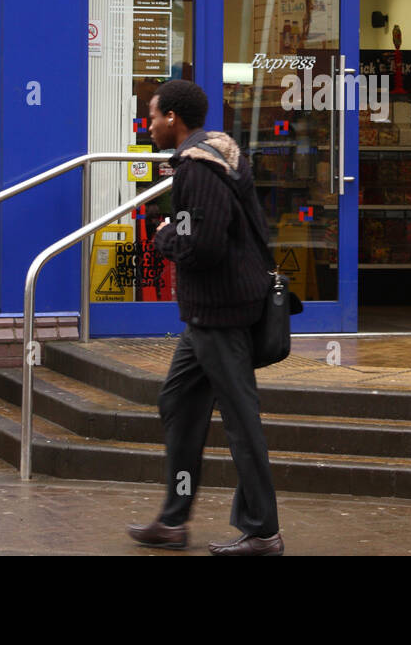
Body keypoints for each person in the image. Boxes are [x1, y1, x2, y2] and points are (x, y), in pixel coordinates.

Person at [126, 79, 282, 556]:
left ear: (173, 117)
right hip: (209, 316)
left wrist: (167, 234)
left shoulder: (198, 169)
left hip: (221, 312)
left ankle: (263, 531)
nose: (149, 124)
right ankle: (174, 520)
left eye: (153, 115)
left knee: (240, 419)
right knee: (178, 402)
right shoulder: (217, 154)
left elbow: (205, 246)